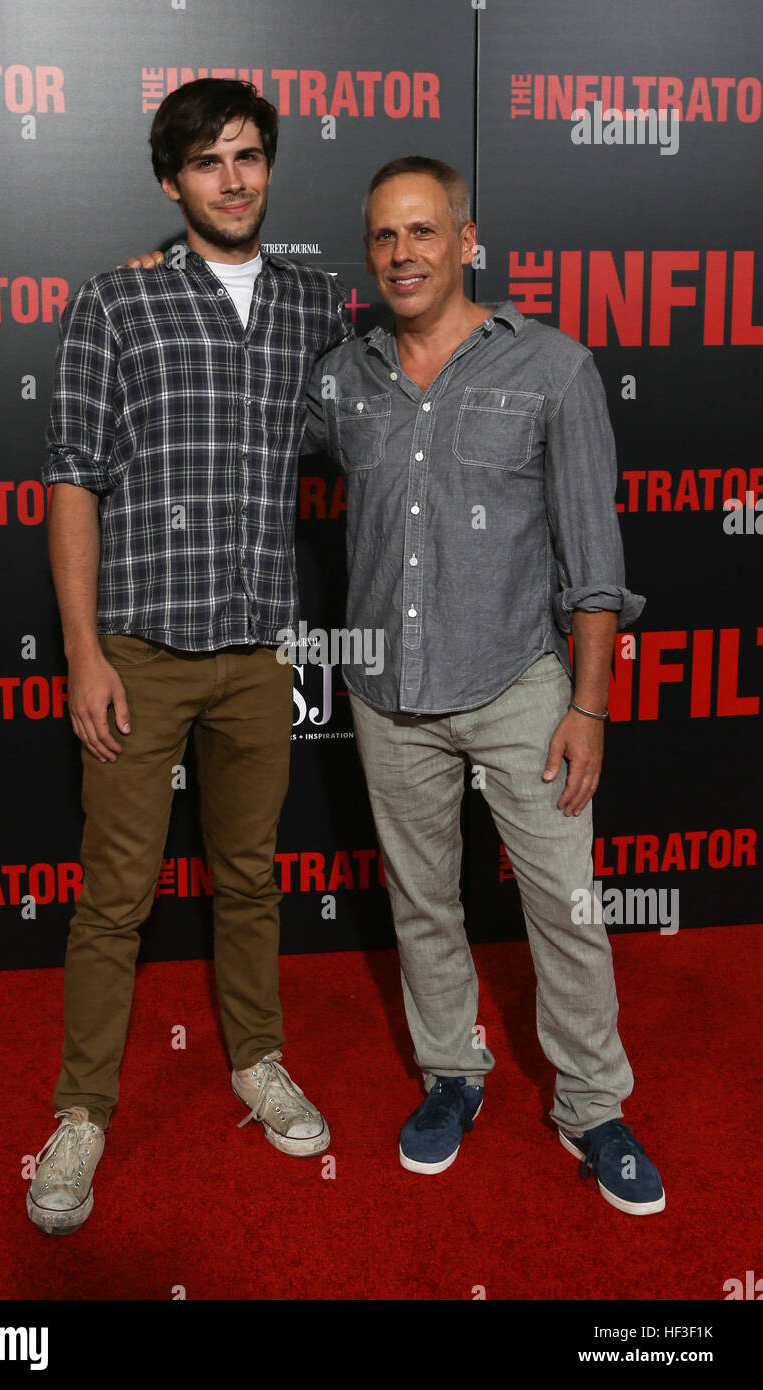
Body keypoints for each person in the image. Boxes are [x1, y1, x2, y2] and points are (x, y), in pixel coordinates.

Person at [302, 156, 664, 1216]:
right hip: (384, 690)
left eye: (422, 232)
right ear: (367, 256)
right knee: (422, 904)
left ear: (466, 242)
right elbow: (243, 429)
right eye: (381, 237)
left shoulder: (551, 367)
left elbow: (594, 562)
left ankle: (593, 1104)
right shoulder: (342, 378)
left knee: (563, 906)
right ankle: (452, 1075)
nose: (401, 253)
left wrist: (586, 706)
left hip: (518, 686)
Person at [30, 78, 352, 1236]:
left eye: (250, 156)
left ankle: (256, 1058)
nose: (235, 178)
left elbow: (369, 435)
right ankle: (81, 1113)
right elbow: (74, 477)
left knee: (251, 875)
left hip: (257, 653)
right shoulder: (117, 303)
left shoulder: (319, 303)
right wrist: (82, 655)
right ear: (172, 181)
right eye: (210, 161)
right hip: (139, 649)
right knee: (113, 897)